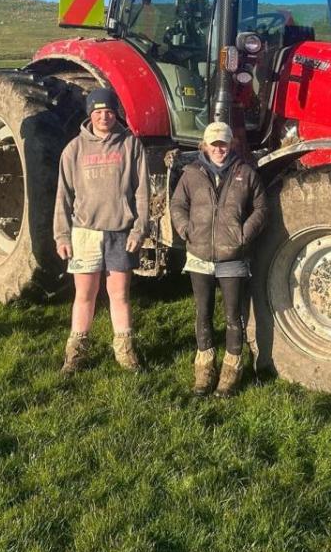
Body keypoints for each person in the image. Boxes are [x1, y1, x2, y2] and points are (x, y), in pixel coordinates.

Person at [54, 87, 150, 374]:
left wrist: (139, 229)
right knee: (85, 294)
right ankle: (75, 354)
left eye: (108, 111)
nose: (104, 117)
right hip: (85, 232)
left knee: (119, 294)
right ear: (90, 115)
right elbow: (63, 196)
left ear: (115, 113)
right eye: (98, 112)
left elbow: (142, 191)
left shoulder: (130, 145)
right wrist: (62, 234)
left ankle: (125, 352)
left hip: (120, 231)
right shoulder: (74, 149)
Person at [170, 122, 268, 396]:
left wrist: (242, 235)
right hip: (199, 254)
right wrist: (185, 229)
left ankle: (231, 372)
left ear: (231, 145)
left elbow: (261, 207)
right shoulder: (191, 174)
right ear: (204, 145)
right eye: (214, 144)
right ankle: (204, 370)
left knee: (233, 316)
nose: (219, 149)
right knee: (203, 313)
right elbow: (178, 205)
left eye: (223, 144)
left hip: (232, 256)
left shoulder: (245, 173)